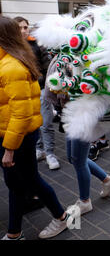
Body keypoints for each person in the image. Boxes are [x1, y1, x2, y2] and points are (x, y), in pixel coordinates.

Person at [0, 16, 70, 240]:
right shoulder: (10, 60)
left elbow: (20, 113)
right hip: (16, 134)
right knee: (20, 183)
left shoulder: (11, 66)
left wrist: (9, 149)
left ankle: (59, 218)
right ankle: (15, 232)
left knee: (28, 181)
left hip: (17, 137)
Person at [44, 56, 110, 215]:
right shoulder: (62, 56)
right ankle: (107, 180)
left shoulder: (83, 56)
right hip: (71, 114)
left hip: (84, 114)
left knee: (78, 160)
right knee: (73, 157)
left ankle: (85, 201)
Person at [14, 17, 59, 170]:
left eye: (25, 27)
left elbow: (47, 67)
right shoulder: (11, 48)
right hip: (23, 93)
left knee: (45, 122)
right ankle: (39, 149)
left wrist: (45, 84)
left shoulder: (37, 45)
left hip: (40, 89)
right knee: (33, 125)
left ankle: (50, 153)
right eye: (19, 28)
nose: (23, 31)